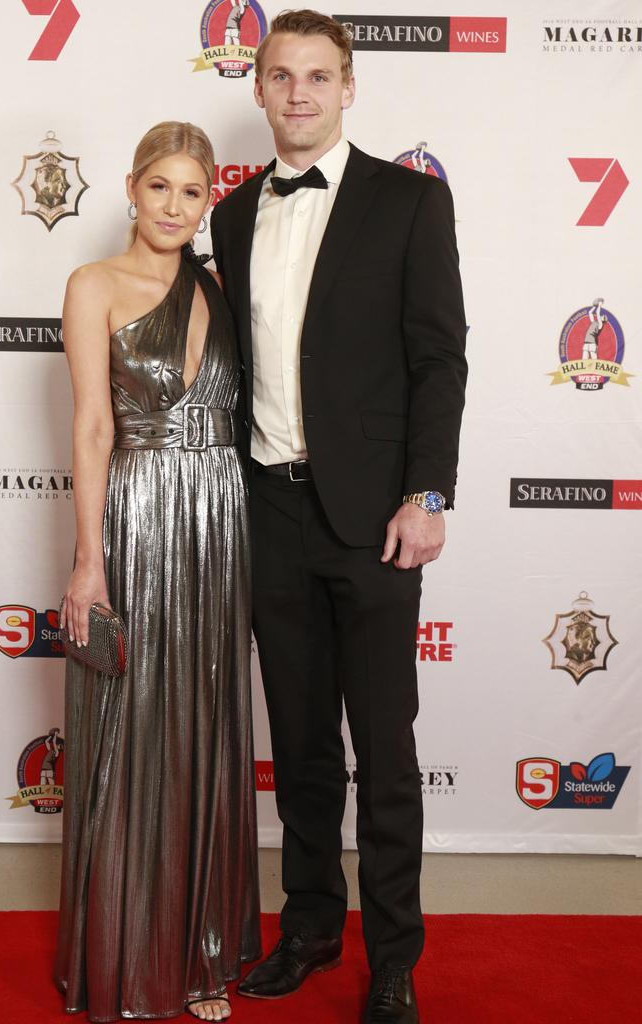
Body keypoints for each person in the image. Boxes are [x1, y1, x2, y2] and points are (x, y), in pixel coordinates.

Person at [210, 10, 467, 1024]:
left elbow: (439, 358)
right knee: (304, 743)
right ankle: (310, 927)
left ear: (349, 87)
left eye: (320, 75)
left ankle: (394, 955)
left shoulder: (410, 201)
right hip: (268, 511)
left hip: (375, 521)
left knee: (386, 748)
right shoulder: (230, 218)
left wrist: (428, 493)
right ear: (260, 89)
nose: (301, 93)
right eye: (283, 76)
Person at [55, 121, 261, 1023]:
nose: (175, 207)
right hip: (136, 516)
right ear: (131, 189)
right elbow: (94, 426)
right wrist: (89, 559)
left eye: (193, 192)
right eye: (160, 188)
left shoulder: (224, 288)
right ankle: (124, 949)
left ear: (207, 198)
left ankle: (202, 950)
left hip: (220, 519)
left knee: (205, 716)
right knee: (131, 719)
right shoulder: (93, 284)